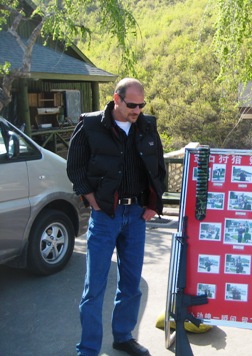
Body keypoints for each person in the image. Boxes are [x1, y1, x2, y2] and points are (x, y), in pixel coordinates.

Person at [67, 78, 166, 356]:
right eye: (132, 105)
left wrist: (152, 205)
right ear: (116, 99)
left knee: (131, 283)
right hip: (105, 215)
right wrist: (91, 201)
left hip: (136, 215)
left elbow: (158, 167)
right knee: (94, 287)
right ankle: (87, 349)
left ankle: (123, 337)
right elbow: (75, 168)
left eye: (141, 105)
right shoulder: (90, 125)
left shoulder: (147, 126)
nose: (137, 110)